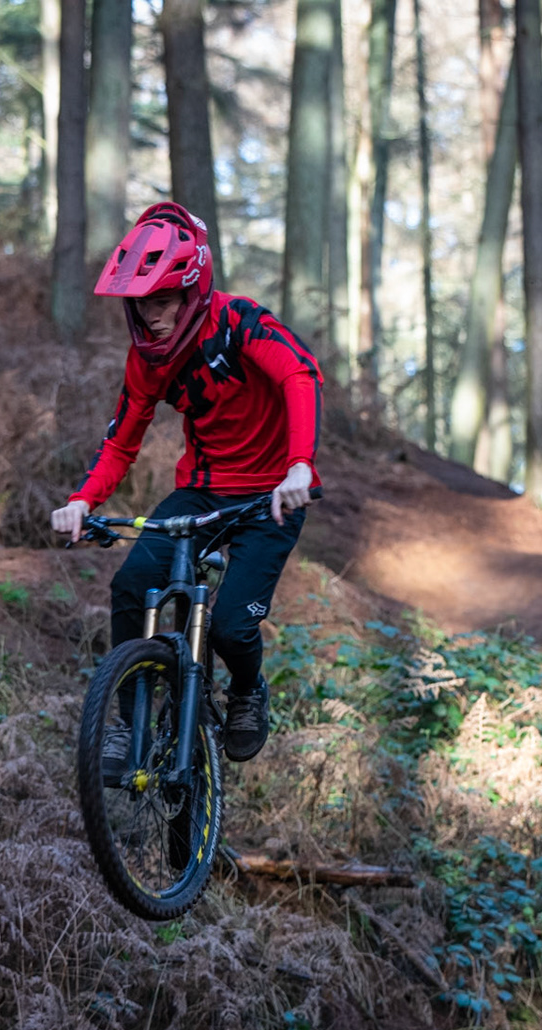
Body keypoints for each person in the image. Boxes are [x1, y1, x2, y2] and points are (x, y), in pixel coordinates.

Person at [49, 201, 322, 764]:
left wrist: (300, 466)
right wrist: (81, 500)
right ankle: (129, 725)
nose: (151, 316)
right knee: (132, 586)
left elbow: (299, 374)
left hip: (273, 494)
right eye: (141, 303)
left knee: (230, 627)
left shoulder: (239, 321)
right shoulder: (146, 360)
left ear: (193, 291)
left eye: (163, 301)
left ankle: (246, 690)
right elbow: (121, 442)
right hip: (200, 492)